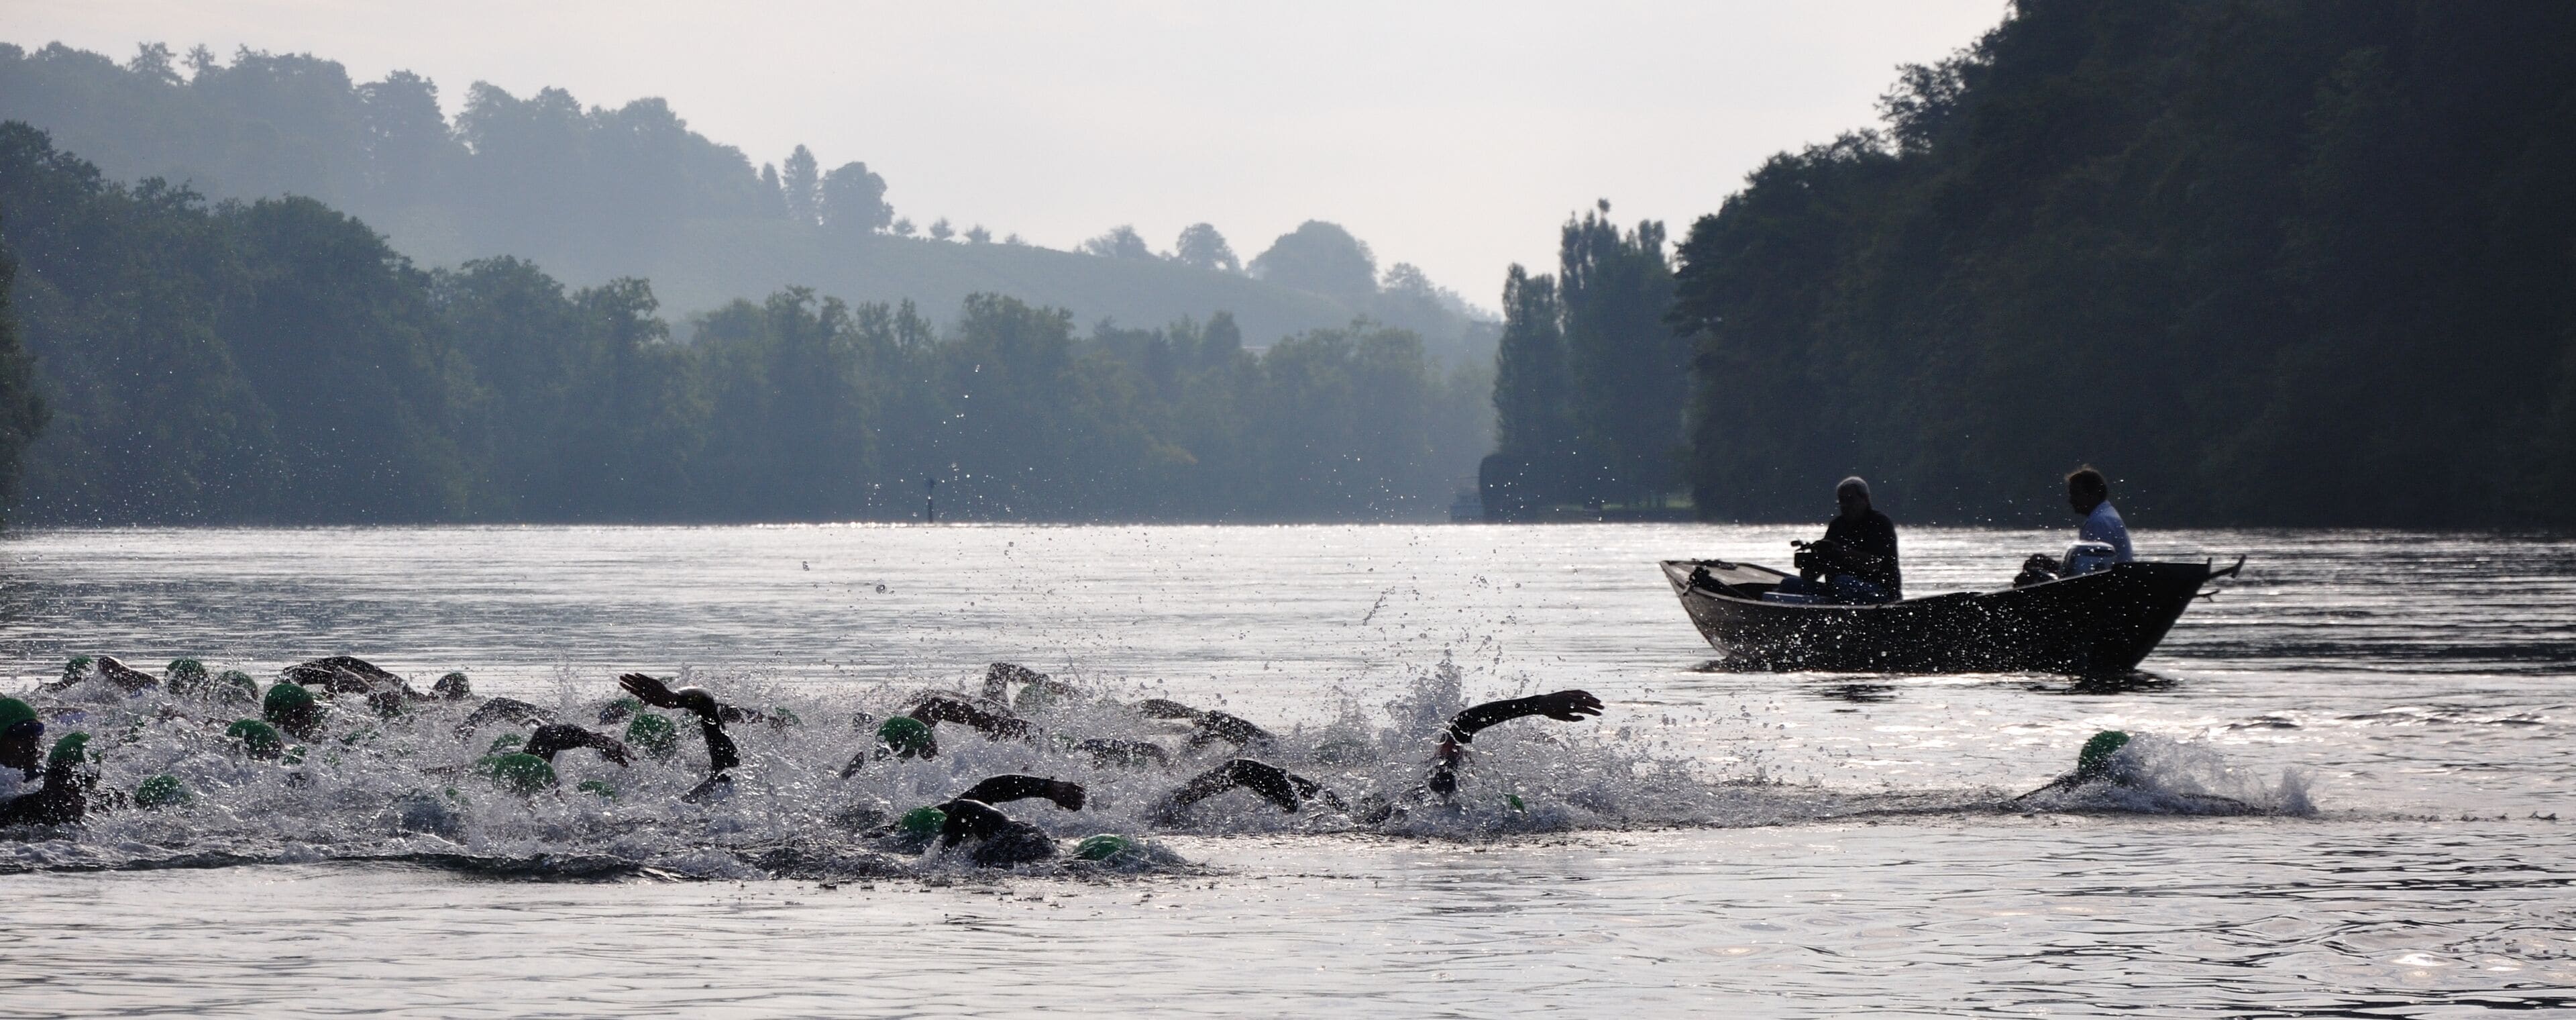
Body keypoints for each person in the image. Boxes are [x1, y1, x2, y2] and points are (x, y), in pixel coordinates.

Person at [1773, 476, 1901, 604]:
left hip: (1880, 593)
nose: (1845, 506)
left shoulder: (1879, 523)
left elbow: (1874, 564)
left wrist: (1840, 552)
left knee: (1842, 582)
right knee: (1788, 584)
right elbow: (1809, 577)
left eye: (1850, 500)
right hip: (1837, 590)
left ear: (1865, 499)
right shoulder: (1837, 526)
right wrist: (1814, 559)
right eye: (1842, 501)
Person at [2014, 466, 2135, 586]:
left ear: (2093, 495)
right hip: (2112, 587)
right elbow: (2088, 571)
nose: (2071, 500)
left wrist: (2049, 566)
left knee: (2025, 581)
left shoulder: (2099, 522)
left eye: (2076, 494)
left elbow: (2090, 578)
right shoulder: (2106, 515)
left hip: (2109, 592)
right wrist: (2049, 566)